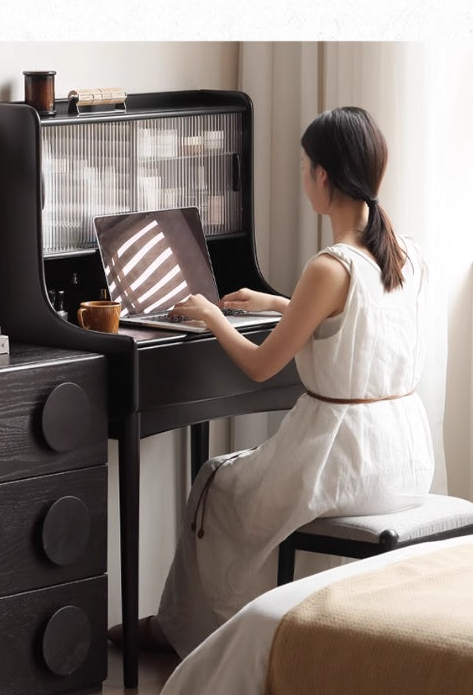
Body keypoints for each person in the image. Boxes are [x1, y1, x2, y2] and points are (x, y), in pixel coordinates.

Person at [108, 106, 435, 658]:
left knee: (215, 481)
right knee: (234, 484)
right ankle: (216, 625)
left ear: (323, 177)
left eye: (305, 167)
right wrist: (282, 305)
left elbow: (261, 365)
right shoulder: (406, 255)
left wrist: (212, 317)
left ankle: (195, 633)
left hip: (342, 460)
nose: (303, 176)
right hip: (403, 455)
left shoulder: (329, 265)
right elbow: (359, 324)